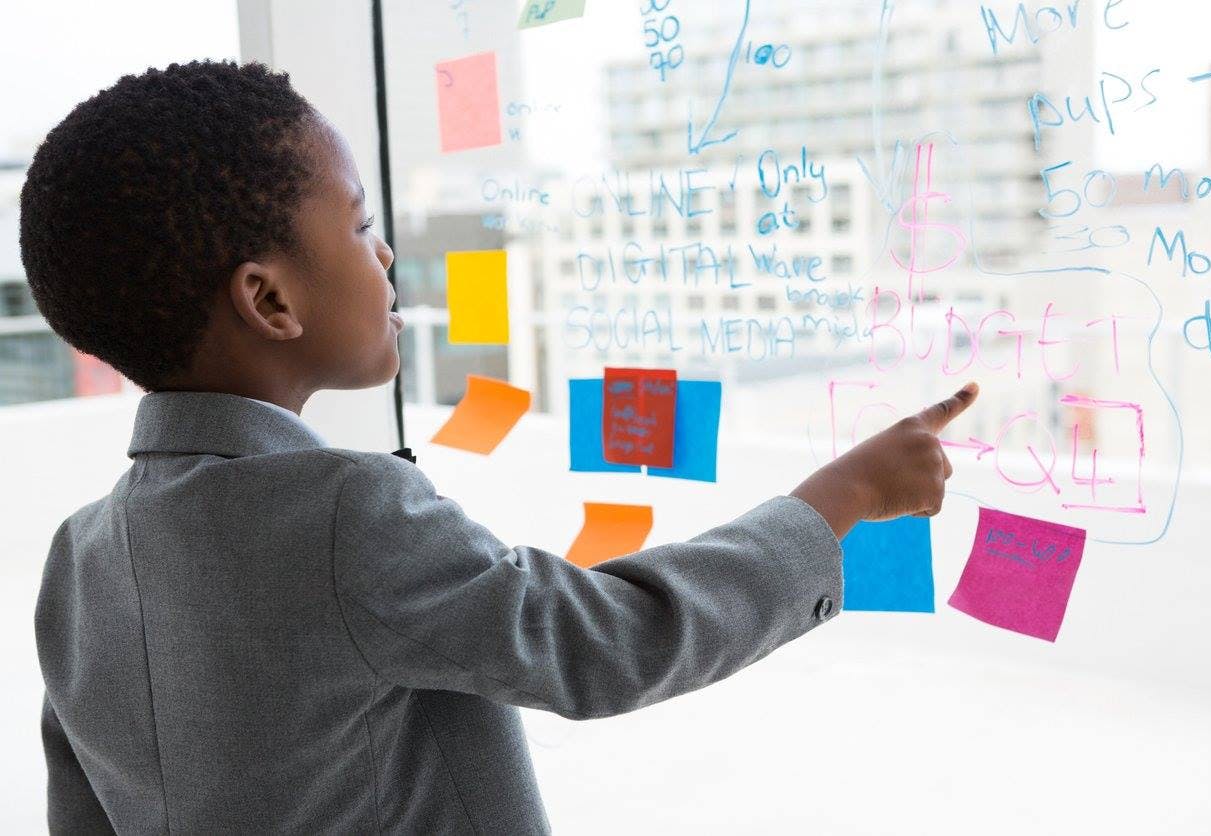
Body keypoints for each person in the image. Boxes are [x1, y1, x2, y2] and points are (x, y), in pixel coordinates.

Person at [22, 60, 978, 833]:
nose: (386, 252)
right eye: (359, 224)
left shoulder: (79, 560)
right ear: (270, 300)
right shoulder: (342, 515)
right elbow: (609, 643)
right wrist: (837, 500)